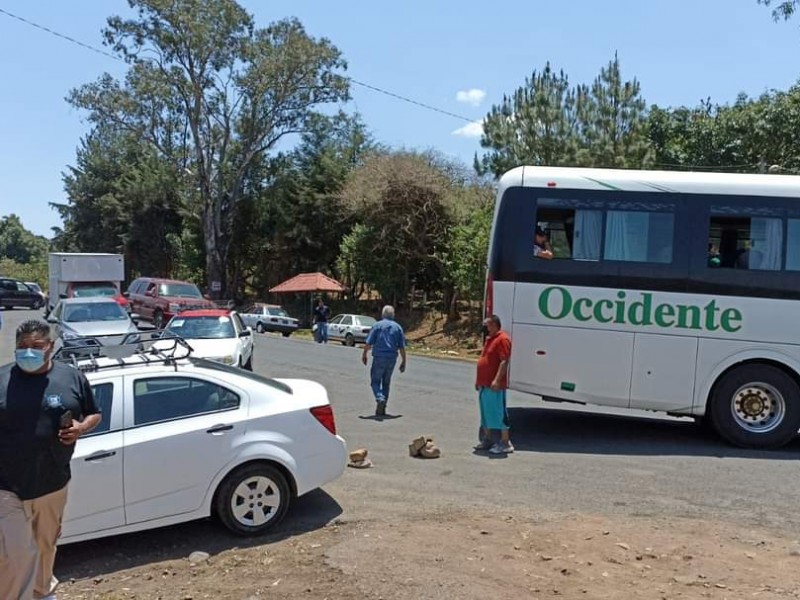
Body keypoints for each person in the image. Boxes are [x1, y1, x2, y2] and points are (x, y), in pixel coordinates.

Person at [0, 320, 102, 600]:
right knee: (16, 553)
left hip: (53, 482)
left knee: (45, 546)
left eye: (36, 346)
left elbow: (94, 413)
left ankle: (42, 592)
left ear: (51, 347)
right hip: (7, 487)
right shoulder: (2, 379)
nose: (28, 352)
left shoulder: (71, 377)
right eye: (22, 347)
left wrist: (81, 428)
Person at [474, 315, 513, 455]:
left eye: (487, 325)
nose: (485, 328)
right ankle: (488, 439)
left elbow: (504, 361)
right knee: (486, 413)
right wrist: (478, 380)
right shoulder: (490, 339)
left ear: (495, 325)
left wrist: (497, 380)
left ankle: (505, 442)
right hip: (484, 384)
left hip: (494, 385)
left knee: (499, 413)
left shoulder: (502, 339)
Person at [361, 305, 407, 416]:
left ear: (383, 314)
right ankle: (383, 406)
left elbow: (369, 342)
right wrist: (403, 361)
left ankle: (379, 398)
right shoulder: (398, 327)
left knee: (375, 381)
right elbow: (402, 347)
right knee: (386, 383)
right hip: (392, 358)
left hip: (379, 357)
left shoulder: (377, 326)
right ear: (393, 315)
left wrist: (364, 354)